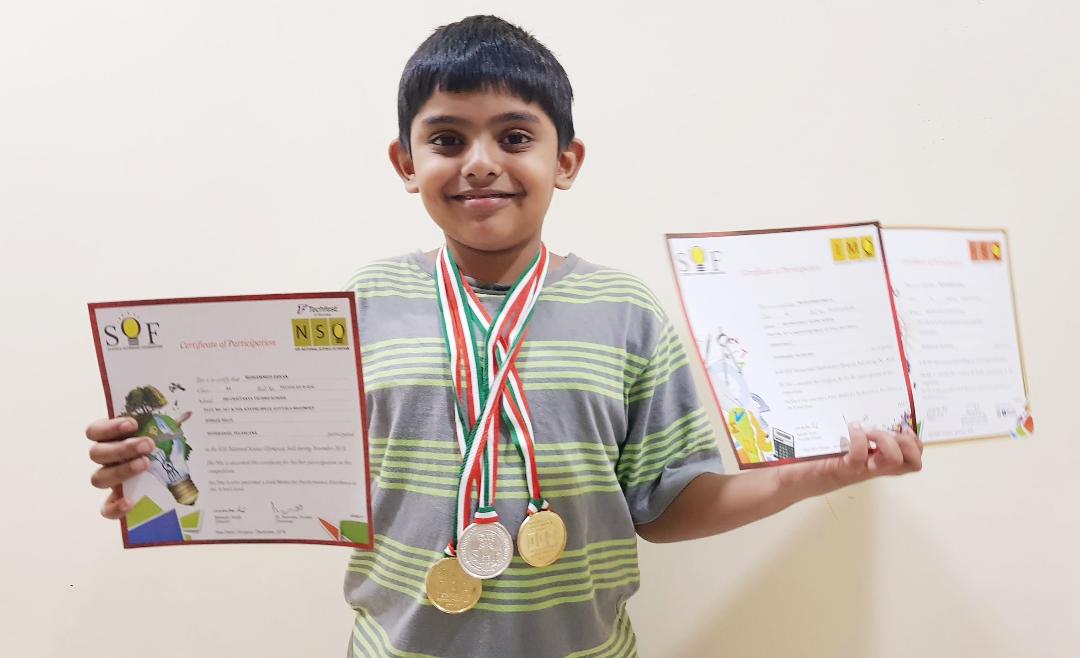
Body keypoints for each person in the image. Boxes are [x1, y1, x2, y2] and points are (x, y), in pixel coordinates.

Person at [84, 15, 922, 657]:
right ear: (405, 163)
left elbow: (667, 505)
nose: (480, 161)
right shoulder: (357, 307)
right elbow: (282, 470)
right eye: (447, 139)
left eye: (514, 136)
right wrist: (158, 472)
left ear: (567, 160)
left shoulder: (625, 311)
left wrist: (823, 472)